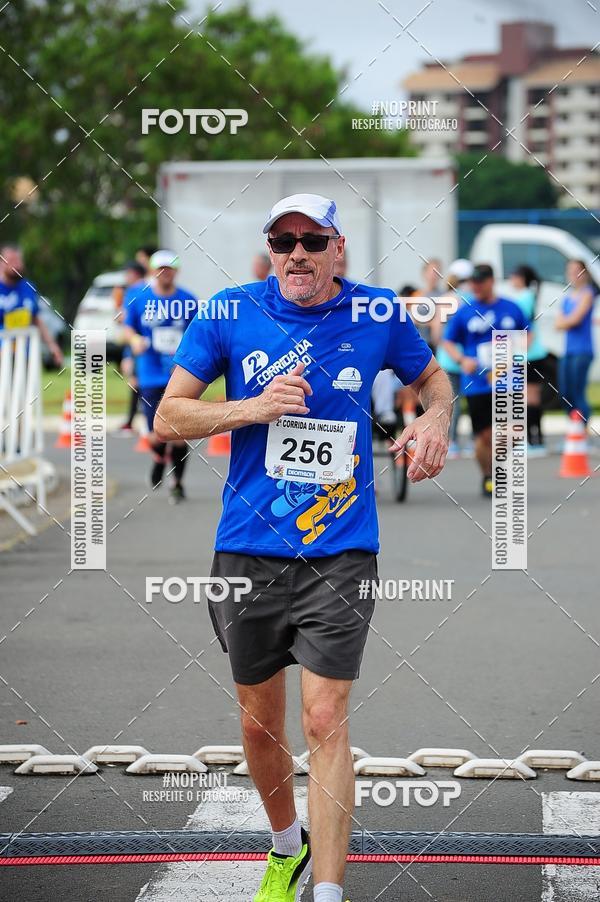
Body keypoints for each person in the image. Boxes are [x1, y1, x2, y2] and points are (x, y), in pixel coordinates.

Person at [155, 193, 452, 902]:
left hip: (341, 549)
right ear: (271, 250)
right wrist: (251, 408)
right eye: (283, 241)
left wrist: (435, 417)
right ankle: (287, 846)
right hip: (248, 547)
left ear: (336, 248)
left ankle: (327, 892)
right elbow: (169, 414)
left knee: (324, 718)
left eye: (312, 241)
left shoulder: (378, 312)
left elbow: (433, 380)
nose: (297, 253)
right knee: (261, 726)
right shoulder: (229, 311)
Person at [443, 263, 528, 497]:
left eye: (480, 282)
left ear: (491, 281)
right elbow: (448, 341)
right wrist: (462, 359)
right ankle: (489, 474)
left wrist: (517, 352)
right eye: (473, 283)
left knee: (514, 430)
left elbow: (528, 334)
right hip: (477, 382)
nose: (476, 287)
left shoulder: (511, 308)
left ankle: (497, 465)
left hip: (507, 378)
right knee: (484, 435)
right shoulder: (465, 312)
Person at [123, 250, 196, 503]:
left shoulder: (188, 300)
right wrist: (133, 342)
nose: (165, 273)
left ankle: (178, 483)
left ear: (176, 271)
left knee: (179, 433)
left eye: (170, 268)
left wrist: (190, 359)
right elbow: (127, 327)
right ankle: (158, 457)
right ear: (153, 271)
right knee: (156, 434)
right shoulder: (139, 297)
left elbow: (197, 335)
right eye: (160, 268)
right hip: (150, 372)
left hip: (180, 374)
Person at [433, 259, 473, 458]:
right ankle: (471, 440)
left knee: (451, 401)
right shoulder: (472, 298)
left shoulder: (446, 299)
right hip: (469, 357)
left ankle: (451, 441)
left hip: (448, 357)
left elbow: (436, 332)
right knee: (471, 400)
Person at [0, 245, 63, 366]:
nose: (16, 265)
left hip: (24, 352)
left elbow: (36, 319)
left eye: (18, 260)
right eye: (11, 261)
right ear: (2, 263)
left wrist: (52, 346)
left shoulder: (28, 287)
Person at [509, 264, 549, 453]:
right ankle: (537, 440)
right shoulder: (529, 296)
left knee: (528, 399)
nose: (511, 279)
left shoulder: (523, 298)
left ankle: (532, 442)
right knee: (533, 398)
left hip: (527, 354)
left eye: (513, 276)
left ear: (521, 278)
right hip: (535, 354)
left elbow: (518, 326)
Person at [556, 259, 596, 424]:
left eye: (576, 271)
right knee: (565, 393)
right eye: (570, 271)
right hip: (568, 351)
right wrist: (568, 321)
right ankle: (575, 425)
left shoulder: (588, 293)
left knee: (578, 392)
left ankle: (583, 427)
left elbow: (576, 319)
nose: (573, 274)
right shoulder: (567, 297)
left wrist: (567, 321)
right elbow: (558, 324)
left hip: (583, 350)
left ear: (584, 273)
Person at [116, 261, 147, 434]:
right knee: (138, 382)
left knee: (136, 382)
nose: (126, 277)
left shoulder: (134, 292)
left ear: (134, 273)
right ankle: (136, 419)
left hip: (137, 344)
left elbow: (127, 320)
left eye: (127, 273)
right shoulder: (149, 288)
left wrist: (128, 355)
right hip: (144, 343)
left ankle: (135, 420)